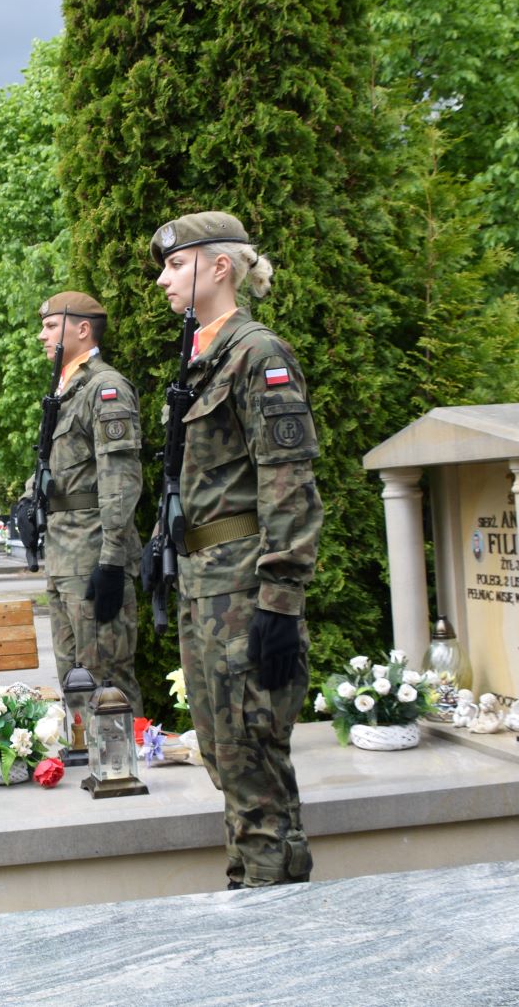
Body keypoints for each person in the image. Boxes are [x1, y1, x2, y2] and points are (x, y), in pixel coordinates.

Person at [152, 210, 323, 889]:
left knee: (253, 758)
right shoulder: (203, 356)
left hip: (244, 590)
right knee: (226, 757)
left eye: (175, 264)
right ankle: (252, 887)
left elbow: (289, 483)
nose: (163, 279)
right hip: (206, 585)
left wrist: (280, 602)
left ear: (219, 267)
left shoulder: (259, 355)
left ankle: (273, 910)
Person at [35, 290, 144, 713]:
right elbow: (57, 466)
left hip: (93, 551)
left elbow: (120, 479)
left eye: (50, 326)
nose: (42, 335)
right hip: (63, 556)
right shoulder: (64, 392)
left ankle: (125, 769)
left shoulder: (105, 388)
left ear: (82, 330)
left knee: (106, 679)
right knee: (73, 681)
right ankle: (88, 762)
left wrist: (113, 559)